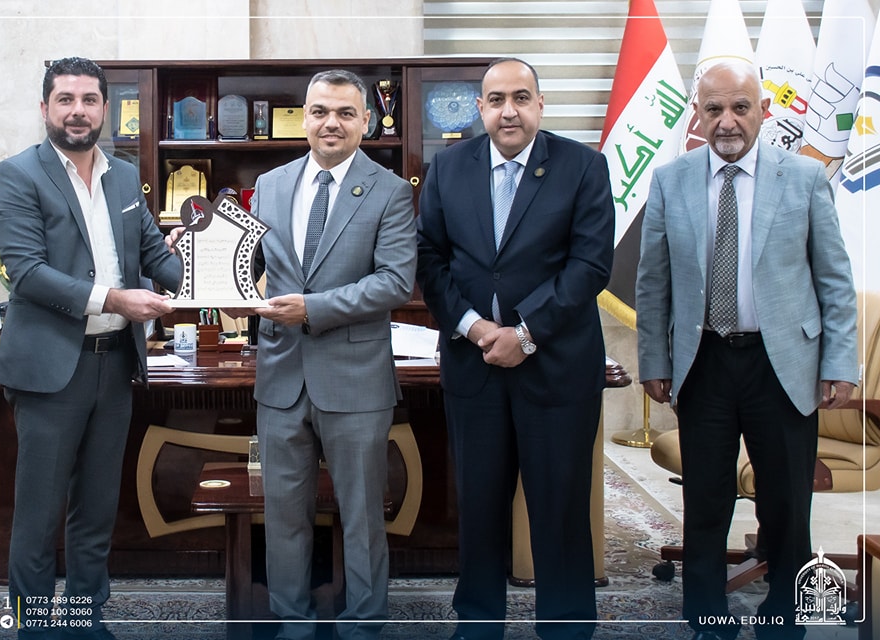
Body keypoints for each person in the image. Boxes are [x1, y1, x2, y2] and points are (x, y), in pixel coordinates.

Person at [635, 61, 858, 640]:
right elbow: (653, 282)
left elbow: (834, 280)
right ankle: (708, 618)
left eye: (740, 107)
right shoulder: (671, 180)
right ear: (697, 115)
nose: (727, 121)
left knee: (786, 504)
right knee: (706, 503)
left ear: (764, 110)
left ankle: (784, 618)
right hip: (703, 362)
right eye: (714, 109)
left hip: (783, 364)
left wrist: (839, 363)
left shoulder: (804, 178)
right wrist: (654, 360)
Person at [416, 57, 615, 640]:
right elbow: (430, 258)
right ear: (479, 108)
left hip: (556, 368)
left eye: (521, 98)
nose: (509, 111)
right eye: (497, 99)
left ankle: (567, 626)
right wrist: (478, 329)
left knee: (560, 507)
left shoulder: (583, 166)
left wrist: (524, 335)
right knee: (479, 505)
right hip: (474, 365)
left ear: (540, 105)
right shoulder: (448, 167)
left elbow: (589, 265)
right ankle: (478, 622)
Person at [0, 57, 183, 640]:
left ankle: (84, 623)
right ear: (45, 108)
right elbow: (27, 273)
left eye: (90, 100)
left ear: (105, 109)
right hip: (52, 369)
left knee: (96, 513)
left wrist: (203, 257)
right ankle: (35, 630)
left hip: (114, 365)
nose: (78, 111)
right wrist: (117, 299)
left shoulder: (124, 176)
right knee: (39, 516)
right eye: (66, 99)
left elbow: (157, 257)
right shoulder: (17, 174)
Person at [235, 69, 416, 640]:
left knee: (361, 518)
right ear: (304, 119)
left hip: (355, 379)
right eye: (319, 112)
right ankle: (292, 624)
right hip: (281, 379)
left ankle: (363, 627)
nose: (330, 123)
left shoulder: (389, 190)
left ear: (366, 121)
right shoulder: (270, 185)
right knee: (284, 517)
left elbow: (394, 282)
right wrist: (198, 258)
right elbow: (246, 265)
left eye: (344, 113)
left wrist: (311, 308)